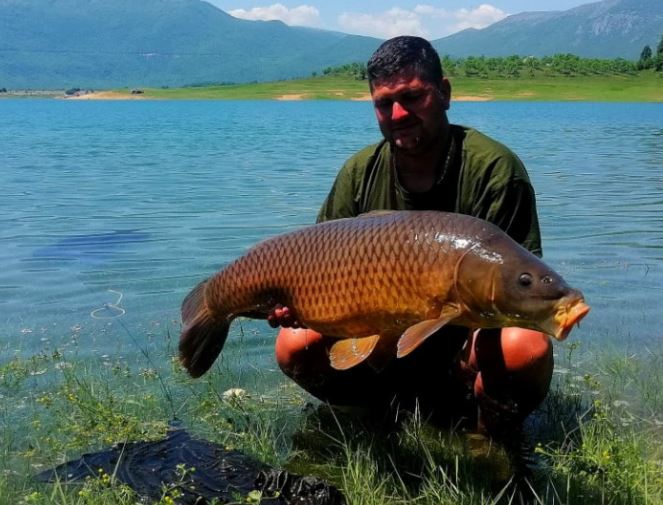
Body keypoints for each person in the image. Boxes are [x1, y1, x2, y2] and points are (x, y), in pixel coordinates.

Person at [270, 36, 553, 435]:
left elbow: (518, 292)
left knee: (524, 347)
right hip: (379, 341)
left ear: (445, 93)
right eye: (384, 104)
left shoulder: (494, 170)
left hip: (461, 346)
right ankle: (371, 421)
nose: (398, 113)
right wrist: (293, 301)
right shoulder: (360, 171)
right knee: (293, 345)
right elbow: (315, 266)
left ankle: (487, 440)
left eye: (412, 97)